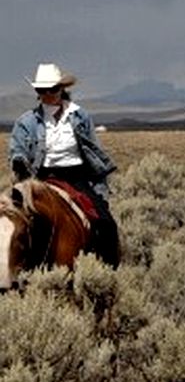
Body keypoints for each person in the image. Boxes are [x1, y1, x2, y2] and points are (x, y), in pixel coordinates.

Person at [8, 62, 120, 264]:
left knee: (106, 224)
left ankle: (109, 271)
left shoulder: (79, 116)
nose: (48, 94)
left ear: (62, 89)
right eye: (42, 90)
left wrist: (100, 187)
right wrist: (19, 160)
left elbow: (94, 149)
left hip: (76, 176)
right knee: (11, 222)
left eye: (53, 89)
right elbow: (17, 149)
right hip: (40, 177)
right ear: (37, 92)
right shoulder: (26, 122)